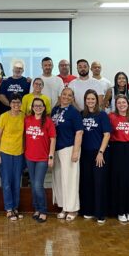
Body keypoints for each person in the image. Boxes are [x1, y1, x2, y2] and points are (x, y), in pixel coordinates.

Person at [51, 87, 84, 221]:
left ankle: (73, 209)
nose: (66, 97)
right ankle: (64, 207)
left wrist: (75, 151)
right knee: (59, 179)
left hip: (69, 148)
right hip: (56, 149)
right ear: (60, 95)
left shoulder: (74, 113)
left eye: (69, 95)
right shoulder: (55, 110)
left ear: (72, 98)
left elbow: (79, 132)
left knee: (70, 180)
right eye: (64, 94)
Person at [80, 90, 111, 223]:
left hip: (99, 154)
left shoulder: (102, 115)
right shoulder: (82, 114)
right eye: (88, 99)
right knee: (87, 182)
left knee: (99, 183)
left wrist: (101, 152)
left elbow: (107, 135)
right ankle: (88, 210)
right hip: (85, 153)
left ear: (97, 101)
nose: (90, 101)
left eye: (93, 99)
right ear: (85, 100)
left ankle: (100, 213)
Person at [24, 97, 56, 223]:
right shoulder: (27, 120)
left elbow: (53, 139)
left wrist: (51, 156)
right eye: (35, 106)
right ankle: (37, 209)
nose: (38, 108)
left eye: (40, 106)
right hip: (29, 157)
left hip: (42, 158)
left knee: (38, 185)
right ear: (32, 108)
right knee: (33, 184)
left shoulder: (48, 121)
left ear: (44, 108)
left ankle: (43, 210)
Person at [108, 95, 129, 222]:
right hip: (117, 149)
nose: (121, 105)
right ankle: (120, 211)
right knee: (119, 179)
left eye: (124, 102)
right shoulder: (111, 116)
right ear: (116, 105)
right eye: (119, 103)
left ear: (128, 104)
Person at [0, 93, 25, 221]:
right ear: (10, 103)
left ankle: (15, 207)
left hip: (19, 153)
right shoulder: (4, 116)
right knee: (6, 182)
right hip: (5, 152)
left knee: (16, 181)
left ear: (21, 104)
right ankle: (8, 208)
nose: (16, 105)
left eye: (18, 102)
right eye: (13, 102)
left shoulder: (24, 116)